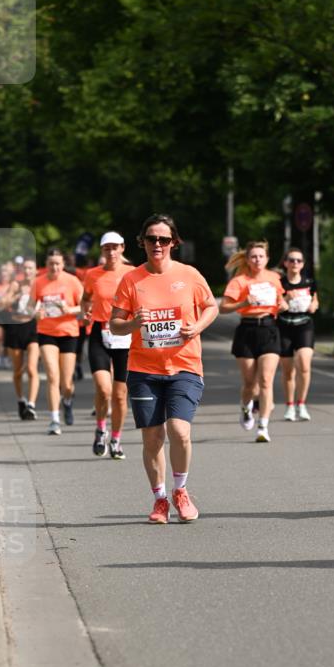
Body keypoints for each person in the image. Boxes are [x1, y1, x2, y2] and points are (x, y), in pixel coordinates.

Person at [110, 213, 218, 522]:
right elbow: (114, 325)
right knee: (152, 438)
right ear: (141, 242)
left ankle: (181, 490)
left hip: (184, 366)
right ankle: (159, 500)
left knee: (179, 431)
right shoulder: (131, 280)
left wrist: (196, 327)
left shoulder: (190, 275)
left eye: (164, 239)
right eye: (151, 239)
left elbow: (212, 307)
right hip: (144, 370)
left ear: (174, 242)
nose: (157, 244)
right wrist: (132, 323)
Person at [220, 240, 287, 443]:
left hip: (269, 329)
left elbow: (280, 301)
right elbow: (223, 308)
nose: (257, 260)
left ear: (267, 259)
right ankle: (245, 406)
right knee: (250, 383)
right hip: (247, 331)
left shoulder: (274, 278)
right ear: (248, 260)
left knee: (266, 381)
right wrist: (243, 303)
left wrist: (282, 304)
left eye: (261, 256)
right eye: (253, 256)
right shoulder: (239, 281)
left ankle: (263, 426)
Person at [81, 231, 135, 458]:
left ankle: (116, 439)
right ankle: (101, 428)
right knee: (104, 390)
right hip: (100, 332)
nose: (111, 252)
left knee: (120, 395)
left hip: (125, 333)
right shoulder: (93, 274)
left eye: (115, 247)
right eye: (106, 248)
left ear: (122, 248)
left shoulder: (133, 273)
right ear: (101, 251)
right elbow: (85, 298)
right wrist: (85, 312)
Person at [29, 248, 84, 435]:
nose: (55, 267)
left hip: (68, 333)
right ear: (46, 264)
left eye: (58, 264)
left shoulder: (72, 281)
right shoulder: (38, 282)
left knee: (66, 383)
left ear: (63, 264)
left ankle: (67, 401)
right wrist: (36, 314)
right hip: (46, 332)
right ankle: (54, 420)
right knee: (53, 376)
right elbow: (30, 309)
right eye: (51, 263)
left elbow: (84, 307)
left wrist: (69, 310)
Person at [277, 247, 318, 421]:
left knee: (304, 364)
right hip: (284, 326)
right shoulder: (279, 283)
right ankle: (290, 406)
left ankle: (301, 403)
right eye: (292, 260)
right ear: (285, 263)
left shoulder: (309, 281)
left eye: (299, 261)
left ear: (303, 264)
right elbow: (274, 306)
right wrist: (286, 299)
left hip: (304, 325)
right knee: (288, 371)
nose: (295, 263)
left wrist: (314, 305)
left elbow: (315, 299)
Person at [4, 258, 40, 420]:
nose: (27, 271)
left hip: (34, 327)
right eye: (25, 268)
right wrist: (17, 294)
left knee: (32, 368)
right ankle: (21, 400)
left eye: (30, 268)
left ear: (35, 270)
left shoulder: (40, 285)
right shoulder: (15, 285)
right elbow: (4, 303)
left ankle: (31, 405)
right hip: (16, 326)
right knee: (18, 371)